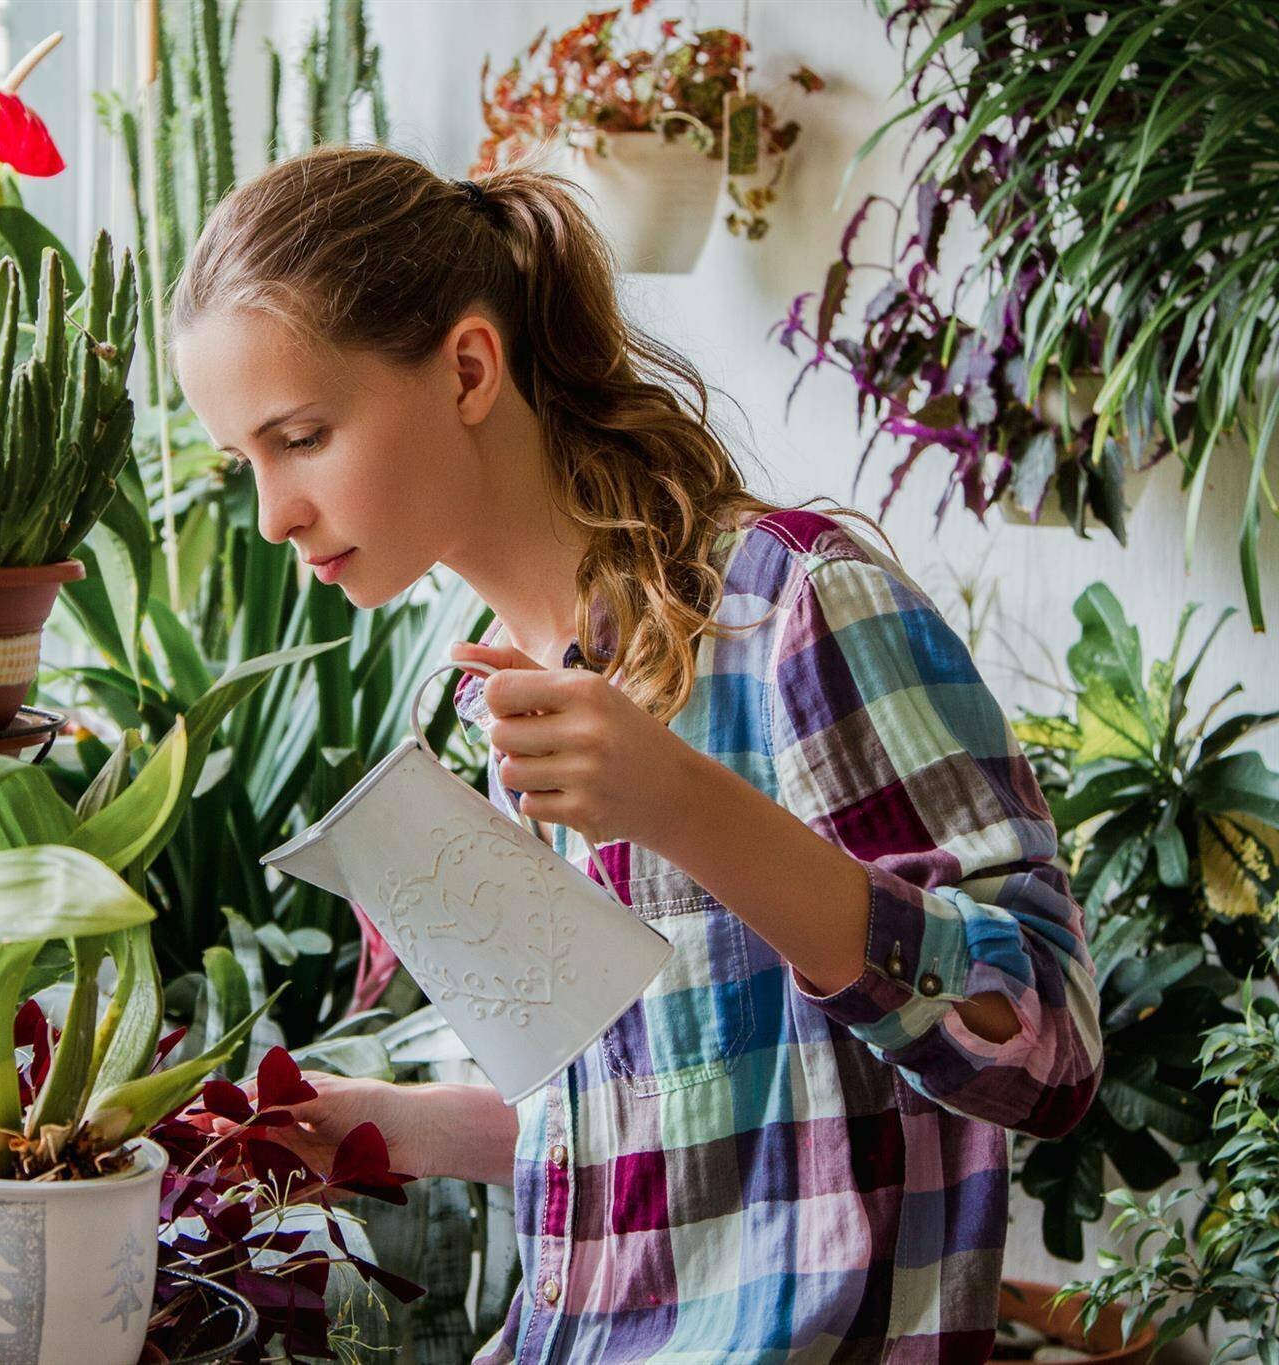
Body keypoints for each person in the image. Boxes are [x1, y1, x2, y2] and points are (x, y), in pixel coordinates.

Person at [171, 145, 1102, 1363]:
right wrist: (391, 1129)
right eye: (243, 461)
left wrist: (682, 805)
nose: (272, 513)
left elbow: (1043, 1051)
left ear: (465, 369)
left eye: (299, 436)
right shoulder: (488, 705)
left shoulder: (795, 610)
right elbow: (675, 1121)